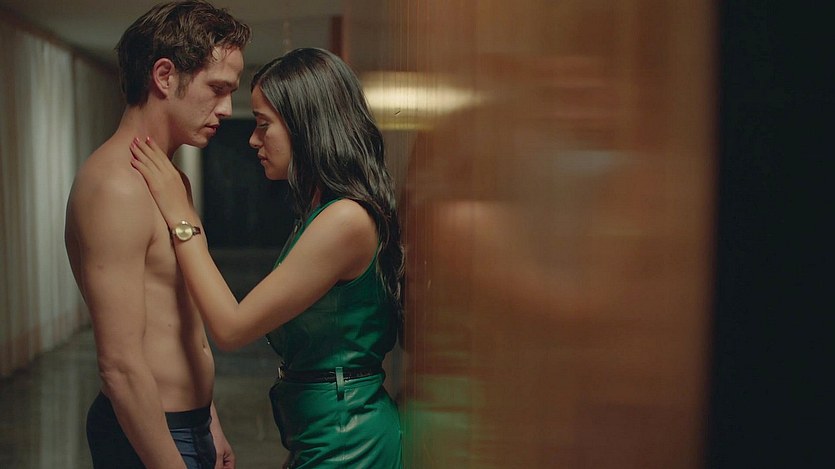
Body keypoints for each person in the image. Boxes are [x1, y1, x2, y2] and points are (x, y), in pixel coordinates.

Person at [129, 47, 404, 468]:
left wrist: (183, 218)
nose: (253, 139)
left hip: (348, 436)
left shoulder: (345, 219)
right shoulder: (323, 211)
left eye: (263, 124)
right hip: (329, 428)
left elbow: (232, 328)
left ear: (306, 126)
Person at [63, 2, 250, 468]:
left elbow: (182, 316)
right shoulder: (117, 186)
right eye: (217, 89)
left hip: (189, 422)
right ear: (165, 76)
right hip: (149, 432)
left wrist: (209, 421)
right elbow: (120, 365)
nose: (227, 109)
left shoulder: (169, 180)